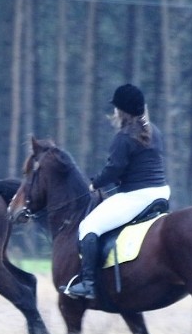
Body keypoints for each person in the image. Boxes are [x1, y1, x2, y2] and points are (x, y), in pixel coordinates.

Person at [63, 83, 171, 299]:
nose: (113, 112)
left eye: (115, 108)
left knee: (88, 226)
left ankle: (88, 284)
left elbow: (114, 169)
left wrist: (95, 183)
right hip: (161, 192)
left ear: (122, 110)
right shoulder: (154, 131)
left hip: (137, 196)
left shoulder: (124, 136)